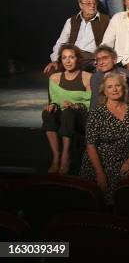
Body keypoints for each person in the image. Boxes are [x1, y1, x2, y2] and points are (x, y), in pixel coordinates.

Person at [80, 72, 129, 204]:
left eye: (118, 85)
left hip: (124, 160)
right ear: (105, 92)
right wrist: (100, 173)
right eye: (110, 87)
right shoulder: (97, 113)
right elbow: (90, 145)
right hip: (99, 162)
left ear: (124, 88)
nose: (114, 89)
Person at [42, 44, 92, 174]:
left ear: (78, 59)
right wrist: (52, 105)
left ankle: (65, 157)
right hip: (62, 112)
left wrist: (76, 105)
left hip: (80, 115)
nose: (68, 61)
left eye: (71, 57)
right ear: (61, 60)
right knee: (47, 113)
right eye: (64, 58)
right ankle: (56, 156)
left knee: (68, 112)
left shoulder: (87, 77)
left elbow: (90, 102)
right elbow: (54, 100)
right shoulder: (54, 78)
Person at [45, 0, 109, 74]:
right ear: (80, 5)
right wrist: (55, 59)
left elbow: (107, 43)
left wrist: (99, 59)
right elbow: (61, 42)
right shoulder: (71, 21)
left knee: (97, 73)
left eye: (94, 2)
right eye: (88, 3)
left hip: (92, 58)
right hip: (72, 56)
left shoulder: (106, 20)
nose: (92, 5)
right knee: (51, 70)